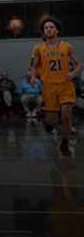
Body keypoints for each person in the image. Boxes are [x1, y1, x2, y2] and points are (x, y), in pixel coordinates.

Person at [31, 16, 81, 156]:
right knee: (51, 119)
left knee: (66, 116)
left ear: (57, 30)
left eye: (51, 27)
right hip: (49, 87)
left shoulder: (67, 46)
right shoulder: (38, 48)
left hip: (65, 85)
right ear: (43, 32)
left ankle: (64, 143)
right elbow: (34, 66)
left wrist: (72, 74)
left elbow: (79, 64)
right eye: (46, 28)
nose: (48, 29)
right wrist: (34, 78)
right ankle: (49, 126)